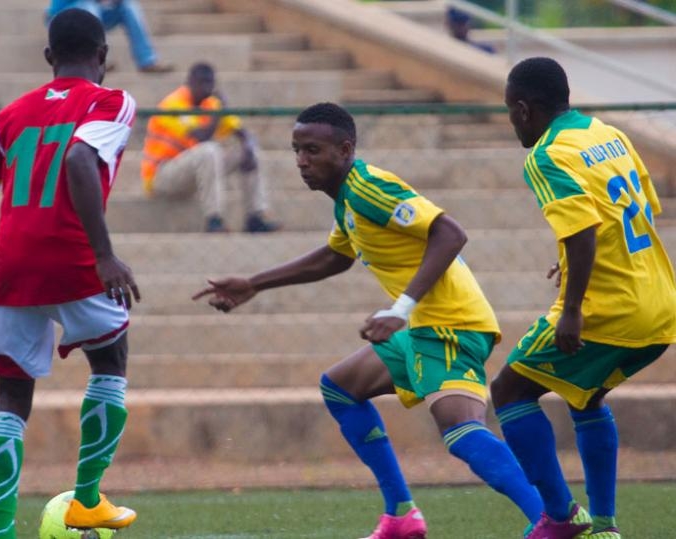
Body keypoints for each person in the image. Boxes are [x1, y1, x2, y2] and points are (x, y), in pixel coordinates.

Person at [193, 102, 543, 538]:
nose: (302, 160)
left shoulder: (369, 188)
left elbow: (450, 233)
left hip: (449, 324)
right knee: (341, 388)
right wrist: (255, 283)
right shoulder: (346, 201)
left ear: (345, 149)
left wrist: (400, 309)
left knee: (461, 431)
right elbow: (335, 257)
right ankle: (401, 515)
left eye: (313, 150)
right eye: (297, 149)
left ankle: (552, 521)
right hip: (423, 327)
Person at [0, 9, 140, 538]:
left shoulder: (10, 115)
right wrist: (105, 255)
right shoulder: (111, 100)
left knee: (11, 399)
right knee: (109, 361)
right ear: (103, 57)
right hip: (75, 258)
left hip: (11, 264)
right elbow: (81, 162)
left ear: (47, 58)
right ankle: (86, 499)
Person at [492, 57, 676, 539]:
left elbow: (583, 231)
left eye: (511, 112)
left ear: (524, 108)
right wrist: (571, 262)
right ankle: (606, 528)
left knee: (510, 391)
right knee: (586, 396)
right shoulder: (608, 134)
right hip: (659, 303)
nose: (513, 122)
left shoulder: (546, 156)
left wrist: (571, 309)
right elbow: (636, 212)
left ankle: (561, 517)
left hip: (608, 309)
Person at [141, 62, 280, 233]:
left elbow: (240, 131)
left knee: (249, 151)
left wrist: (248, 145)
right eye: (202, 82)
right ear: (190, 81)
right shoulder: (173, 104)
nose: (207, 87)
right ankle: (214, 219)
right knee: (209, 150)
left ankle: (255, 217)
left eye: (210, 83)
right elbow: (201, 138)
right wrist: (218, 112)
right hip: (162, 176)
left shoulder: (210, 104)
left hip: (193, 173)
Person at [46, 0, 172, 73]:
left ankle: (147, 60)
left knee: (128, 6)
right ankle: (95, 59)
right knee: (90, 7)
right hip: (61, 17)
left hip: (97, 11)